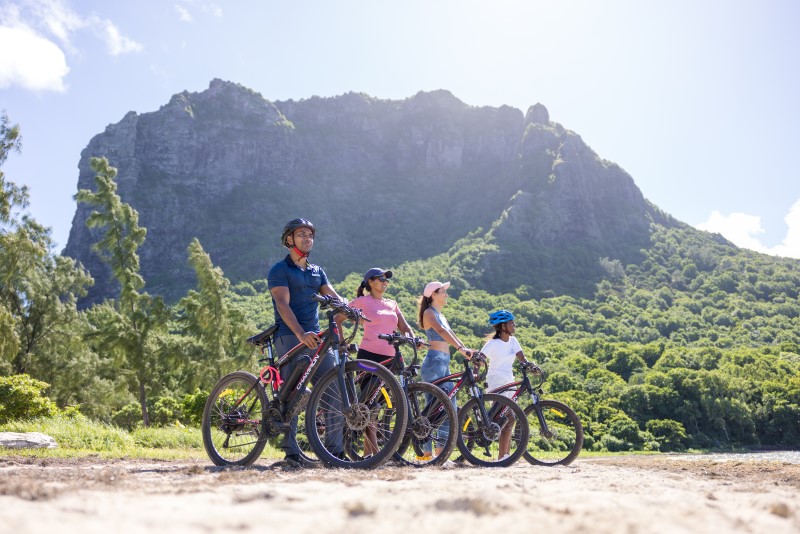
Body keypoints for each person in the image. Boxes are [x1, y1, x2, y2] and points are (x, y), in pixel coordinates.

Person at [267, 217, 347, 466]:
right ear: (289, 239)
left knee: (333, 388)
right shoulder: (280, 270)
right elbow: (282, 304)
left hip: (317, 337)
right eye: (301, 234)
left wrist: (350, 309)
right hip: (291, 335)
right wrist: (301, 334)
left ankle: (334, 452)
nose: (307, 238)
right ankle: (291, 453)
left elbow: (334, 297)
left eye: (310, 235)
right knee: (291, 393)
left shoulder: (317, 271)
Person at [336, 267, 417, 456]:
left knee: (379, 407)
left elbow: (404, 327)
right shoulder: (362, 302)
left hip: (390, 360)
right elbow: (338, 319)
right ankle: (372, 453)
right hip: (368, 357)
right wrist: (342, 344)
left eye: (386, 279)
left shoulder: (392, 303)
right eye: (381, 279)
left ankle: (370, 453)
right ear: (370, 282)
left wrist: (413, 339)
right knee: (368, 407)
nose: (385, 282)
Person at [418, 280, 476, 459]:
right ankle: (429, 453)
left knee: (448, 406)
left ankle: (438, 453)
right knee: (434, 407)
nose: (446, 294)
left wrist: (465, 349)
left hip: (444, 361)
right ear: (433, 294)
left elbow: (450, 334)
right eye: (443, 291)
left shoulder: (441, 315)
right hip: (434, 362)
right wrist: (461, 349)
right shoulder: (429, 312)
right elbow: (442, 332)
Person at [481, 309, 536, 461]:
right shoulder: (493, 344)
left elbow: (522, 358)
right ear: (503, 326)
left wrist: (531, 366)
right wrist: (474, 372)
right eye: (511, 323)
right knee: (507, 416)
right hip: (496, 381)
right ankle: (502, 456)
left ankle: (505, 456)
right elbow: (480, 359)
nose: (514, 325)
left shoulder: (513, 341)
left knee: (509, 419)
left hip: (509, 381)